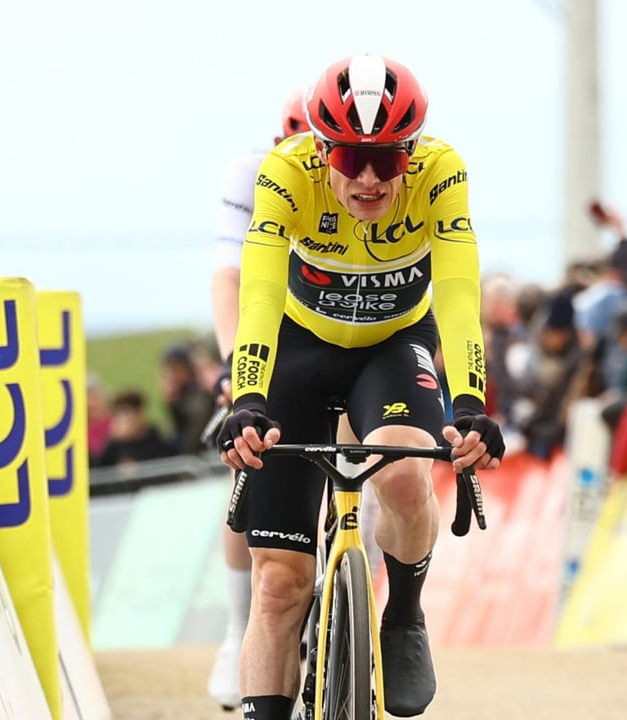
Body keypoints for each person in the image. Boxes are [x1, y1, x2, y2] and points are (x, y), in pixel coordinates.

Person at [216, 54, 504, 720]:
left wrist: (470, 406)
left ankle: (403, 614)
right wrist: (247, 399)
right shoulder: (286, 171)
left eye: (387, 159)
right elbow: (259, 292)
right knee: (278, 586)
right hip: (298, 348)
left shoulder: (442, 171)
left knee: (403, 472)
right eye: (350, 158)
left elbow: (459, 294)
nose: (370, 179)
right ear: (321, 149)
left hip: (392, 346)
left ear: (413, 150)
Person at [205, 86, 313, 711]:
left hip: (340, 335)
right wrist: (232, 368)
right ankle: (236, 625)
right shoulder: (252, 174)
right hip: (266, 330)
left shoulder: (358, 179)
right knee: (248, 453)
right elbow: (230, 278)